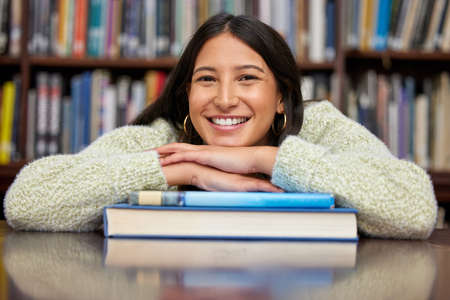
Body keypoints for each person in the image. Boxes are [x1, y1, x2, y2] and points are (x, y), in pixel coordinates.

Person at [4, 14, 437, 238]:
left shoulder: (317, 128)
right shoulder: (165, 137)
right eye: (206, 79)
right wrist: (183, 170)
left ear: (282, 96)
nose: (225, 98)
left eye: (248, 78)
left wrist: (269, 159)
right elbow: (26, 201)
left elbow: (415, 209)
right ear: (187, 93)